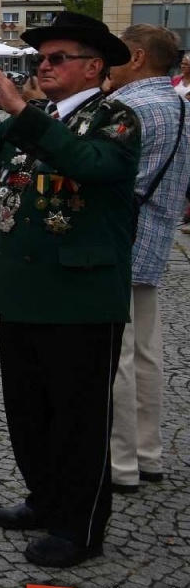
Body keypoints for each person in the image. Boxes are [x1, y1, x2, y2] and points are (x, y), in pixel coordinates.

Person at [0, 12, 138, 568]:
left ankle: (79, 527)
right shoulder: (42, 114)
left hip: (81, 295)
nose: (43, 67)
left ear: (93, 66)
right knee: (27, 411)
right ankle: (44, 498)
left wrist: (21, 110)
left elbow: (88, 165)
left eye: (57, 59)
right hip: (23, 288)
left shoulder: (117, 118)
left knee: (78, 419)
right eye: (41, 59)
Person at [105, 25, 190, 496]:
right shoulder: (181, 105)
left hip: (121, 243)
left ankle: (119, 463)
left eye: (115, 53)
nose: (107, 62)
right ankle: (147, 452)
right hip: (156, 242)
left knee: (115, 356)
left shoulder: (130, 107)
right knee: (146, 355)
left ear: (137, 57)